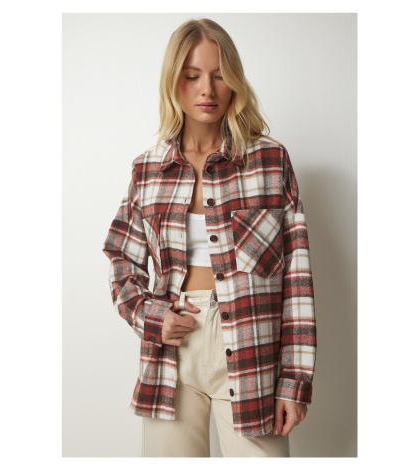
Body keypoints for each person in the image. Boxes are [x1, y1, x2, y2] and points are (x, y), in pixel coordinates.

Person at [102, 18, 317, 458]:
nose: (207, 89)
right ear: (173, 82)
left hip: (252, 348)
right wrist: (152, 317)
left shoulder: (269, 161)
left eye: (219, 75)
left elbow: (297, 280)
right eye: (192, 75)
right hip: (172, 351)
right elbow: (121, 259)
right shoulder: (148, 169)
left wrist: (294, 381)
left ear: (234, 81)